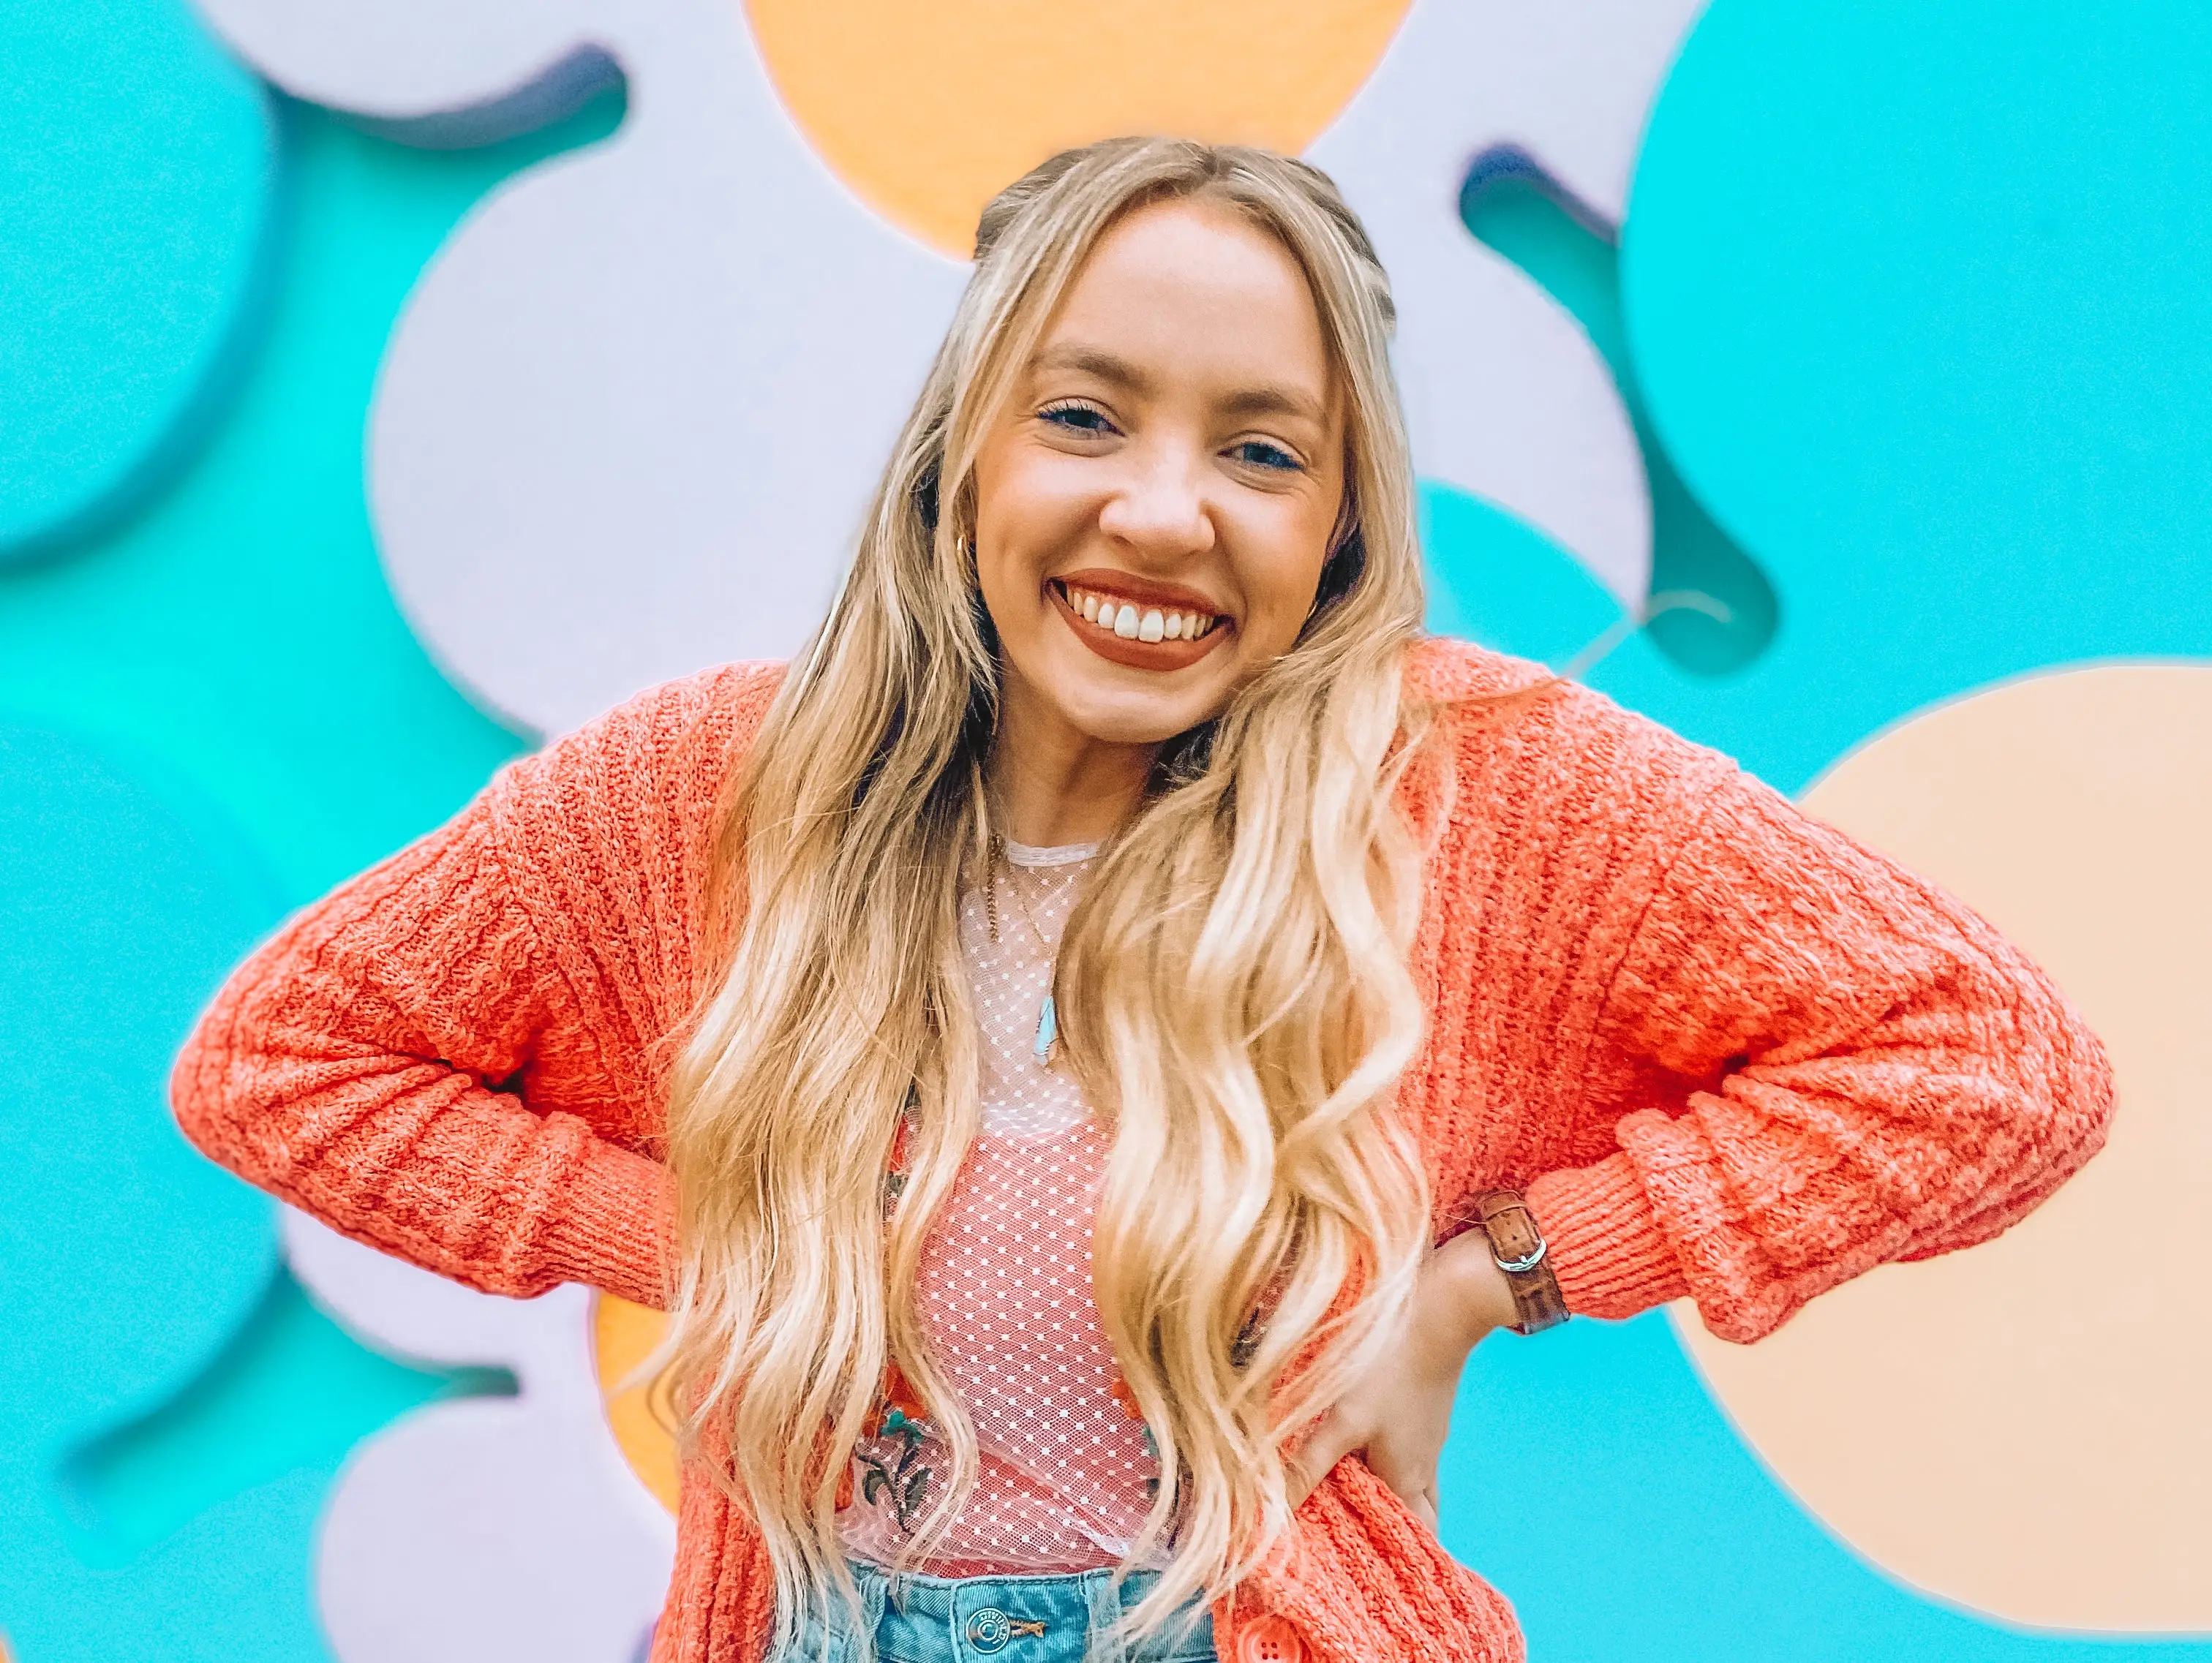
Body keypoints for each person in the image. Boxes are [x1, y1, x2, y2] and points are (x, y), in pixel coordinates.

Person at [170, 137, 2113, 1663]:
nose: (1162, 512)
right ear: (966, 457)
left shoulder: (1469, 795)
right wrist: (706, 1238)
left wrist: (1493, 1277)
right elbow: (283, 1062)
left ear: (1338, 521)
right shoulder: (721, 790)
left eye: (1260, 452)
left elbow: (1990, 1062)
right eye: (1086, 417)